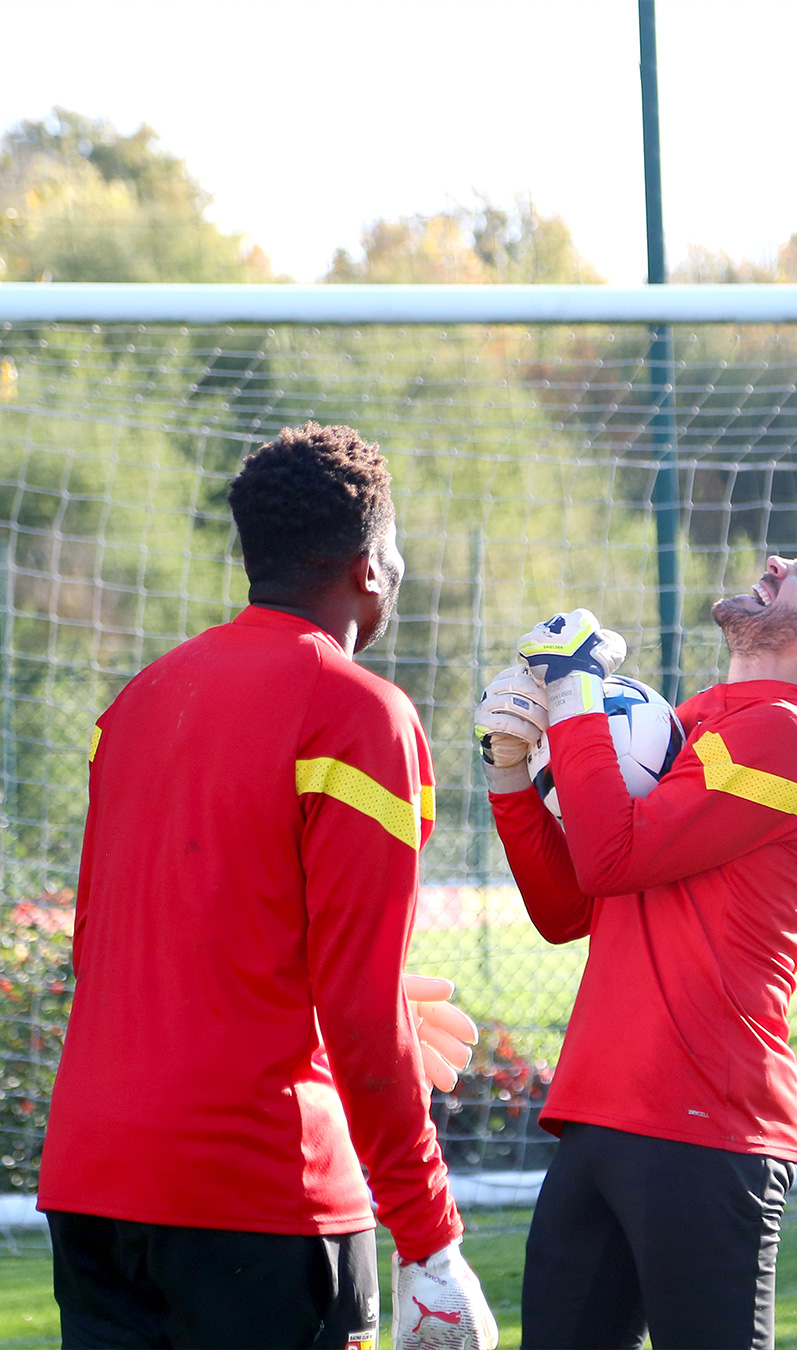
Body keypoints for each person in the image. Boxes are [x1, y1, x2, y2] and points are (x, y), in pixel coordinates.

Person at [38, 423, 498, 1350]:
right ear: (372, 567)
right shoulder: (362, 714)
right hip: (258, 1192)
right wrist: (431, 1239)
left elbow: (116, 947)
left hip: (91, 1180)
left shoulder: (135, 702)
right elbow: (360, 1010)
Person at [474, 532, 797, 1350]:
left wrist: (574, 696)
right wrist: (510, 772)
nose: (780, 560)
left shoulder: (794, 737)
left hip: (705, 1123)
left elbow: (612, 858)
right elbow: (569, 909)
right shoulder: (699, 719)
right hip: (599, 1112)